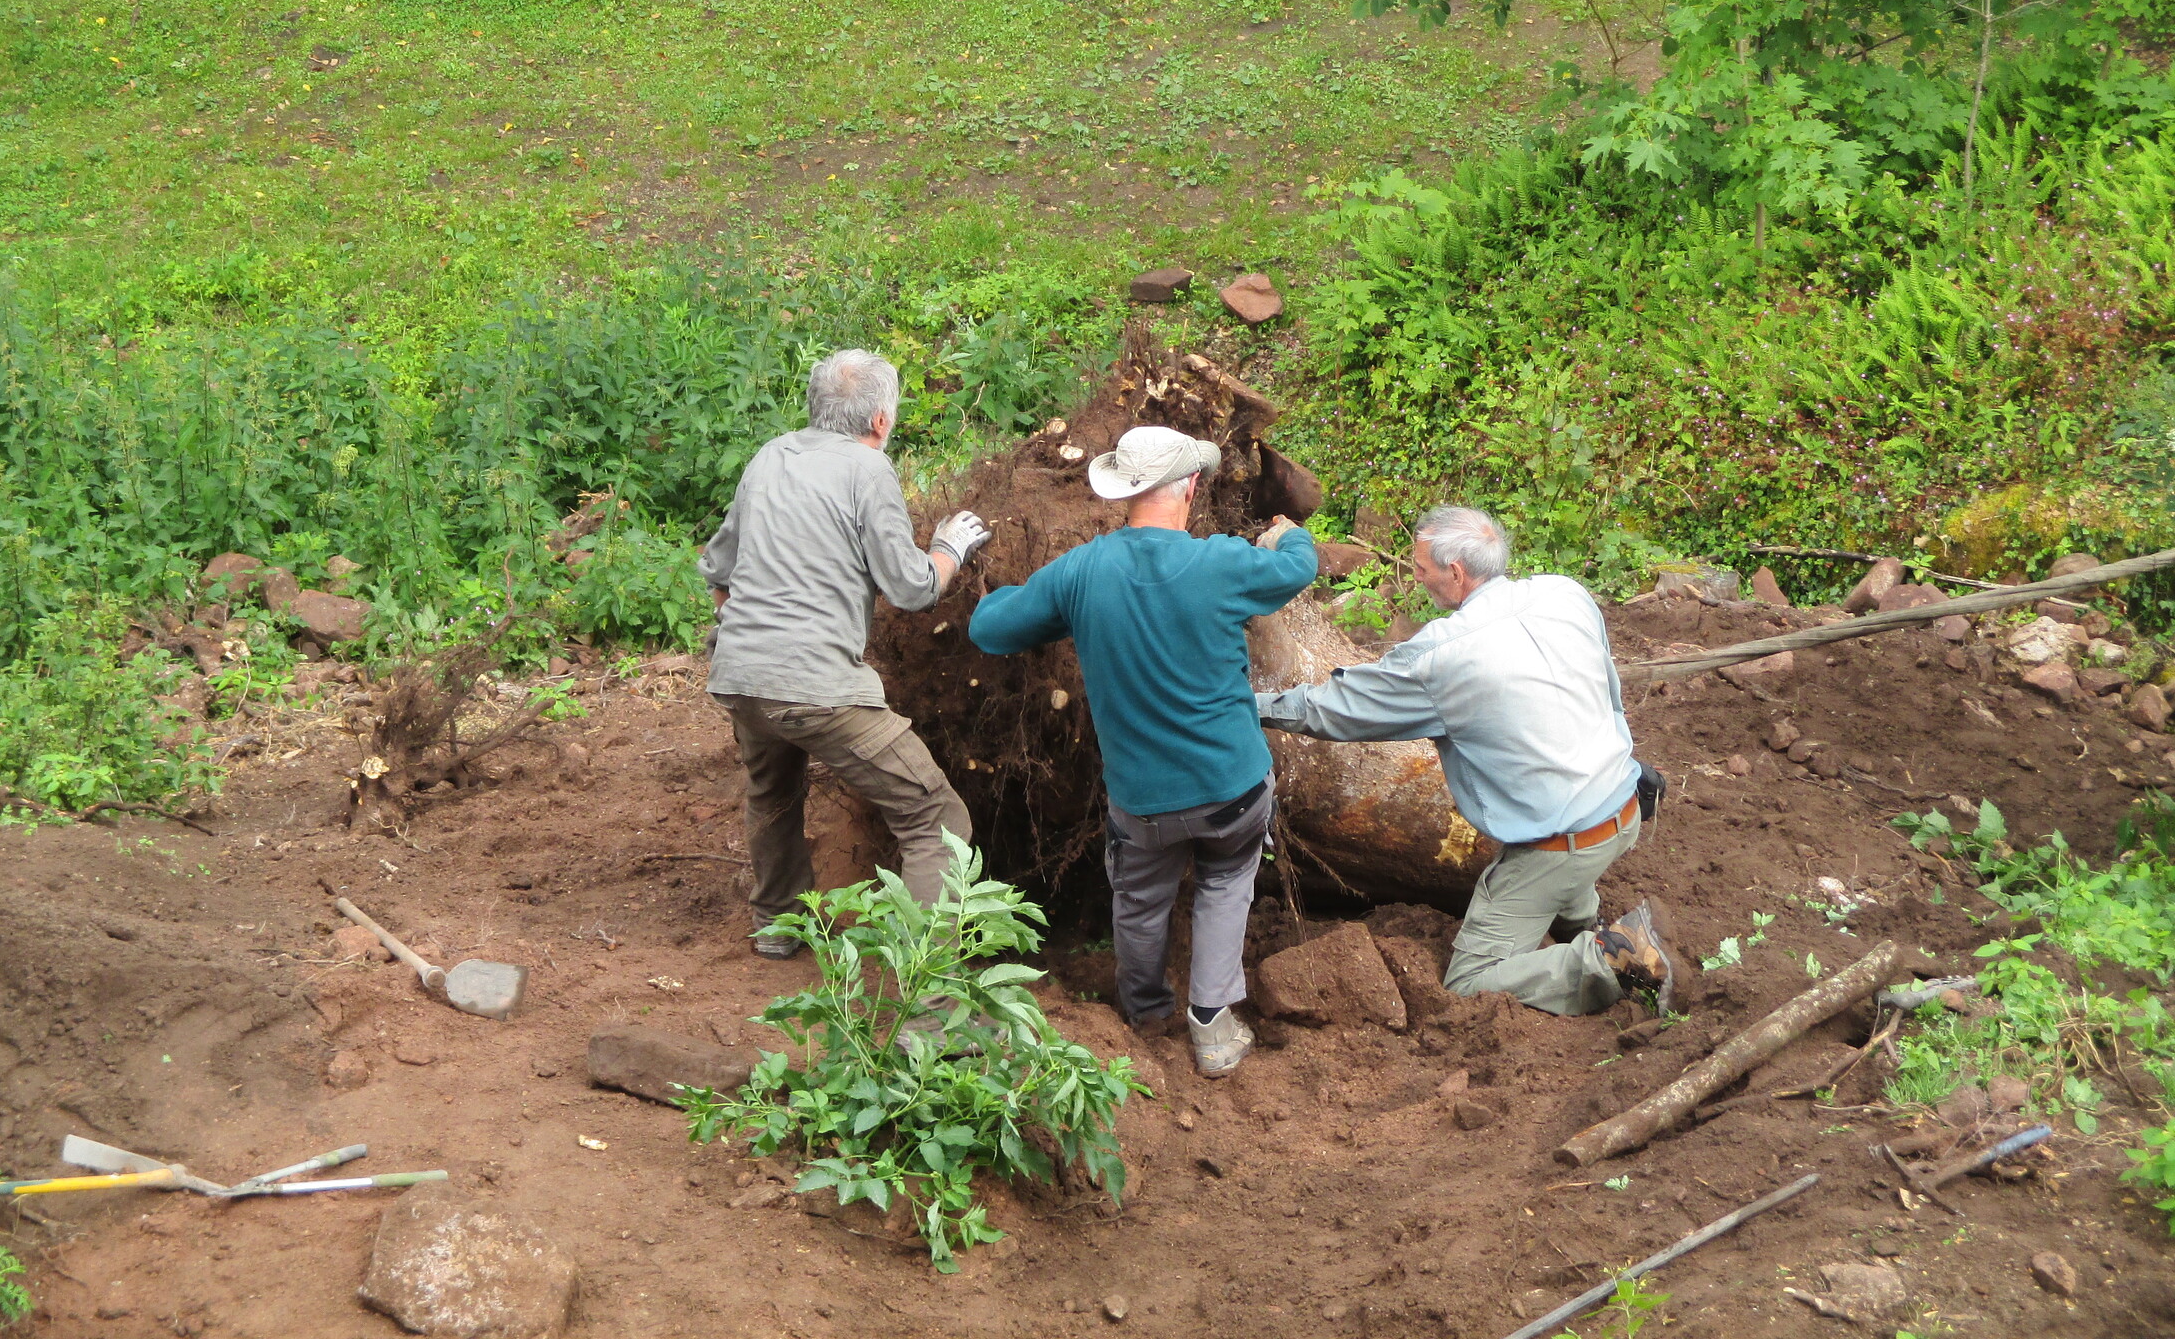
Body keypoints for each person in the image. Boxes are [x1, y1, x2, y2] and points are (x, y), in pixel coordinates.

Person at [968, 425, 1319, 1077]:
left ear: (1123, 492)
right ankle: (1212, 1025)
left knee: (1139, 901)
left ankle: (1145, 1014)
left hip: (1144, 802)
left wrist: (1006, 589)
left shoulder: (1080, 571)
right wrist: (1286, 535)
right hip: (1233, 787)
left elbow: (990, 630)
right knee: (1225, 885)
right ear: (1191, 486)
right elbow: (1299, 567)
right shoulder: (1223, 562)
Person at [1256, 505, 1672, 1014]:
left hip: (1561, 843)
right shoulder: (1565, 594)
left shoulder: (1442, 656)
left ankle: (1614, 958)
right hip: (1624, 800)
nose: (1415, 576)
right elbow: (1610, 692)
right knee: (1564, 855)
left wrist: (1248, 705)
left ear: (1455, 572)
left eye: (1420, 567)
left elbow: (1333, 709)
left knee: (1471, 982)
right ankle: (1588, 925)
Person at [699, 348, 990, 959]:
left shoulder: (770, 455)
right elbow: (911, 588)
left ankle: (779, 925)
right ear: (880, 420)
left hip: (739, 677)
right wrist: (949, 549)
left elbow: (718, 570)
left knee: (772, 791)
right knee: (935, 818)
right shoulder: (868, 468)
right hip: (817, 691)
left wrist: (751, 633)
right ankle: (928, 995)